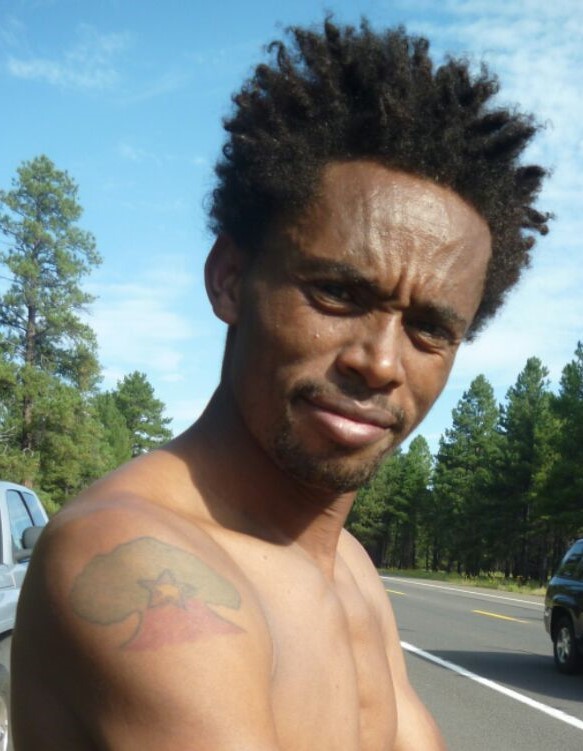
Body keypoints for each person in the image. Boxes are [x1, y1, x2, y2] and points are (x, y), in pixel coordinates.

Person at [11, 18, 549, 751]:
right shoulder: (137, 557)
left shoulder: (348, 565)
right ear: (230, 280)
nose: (381, 363)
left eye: (429, 329)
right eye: (337, 293)